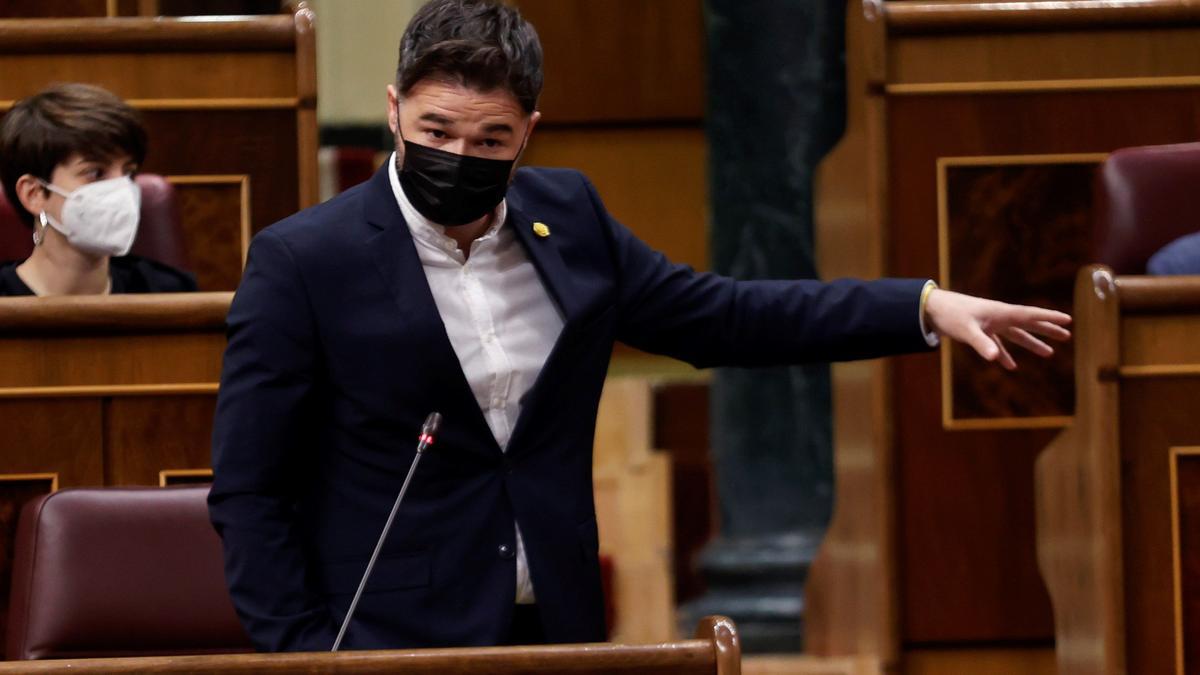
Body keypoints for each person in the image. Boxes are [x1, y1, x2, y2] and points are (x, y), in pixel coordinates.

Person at [208, 0, 1072, 653]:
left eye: (490, 141)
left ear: (528, 134)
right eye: (436, 131)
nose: (459, 160)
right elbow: (250, 488)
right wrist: (307, 655)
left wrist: (922, 305)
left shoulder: (569, 217)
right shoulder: (303, 261)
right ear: (394, 110)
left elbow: (725, 315)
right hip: (385, 639)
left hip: (556, 627)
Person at [0, 83, 196, 296]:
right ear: (34, 194)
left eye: (128, 172)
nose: (121, 189)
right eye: (95, 173)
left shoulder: (171, 291)